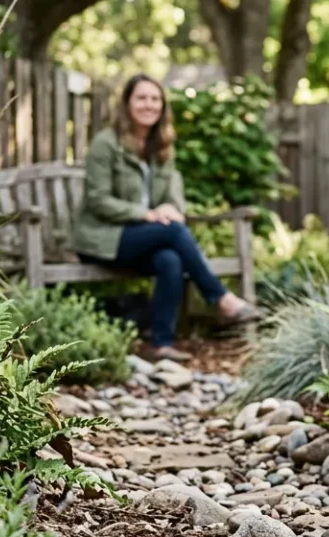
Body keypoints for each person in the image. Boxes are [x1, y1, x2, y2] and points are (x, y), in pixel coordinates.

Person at [72, 73, 263, 363]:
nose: (149, 105)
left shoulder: (161, 147)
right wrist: (147, 214)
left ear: (162, 106)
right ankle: (220, 299)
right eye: (141, 98)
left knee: (170, 260)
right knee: (172, 233)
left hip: (146, 237)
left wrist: (173, 210)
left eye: (155, 99)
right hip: (104, 238)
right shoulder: (106, 143)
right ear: (127, 104)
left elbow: (173, 197)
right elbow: (98, 200)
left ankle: (161, 344)